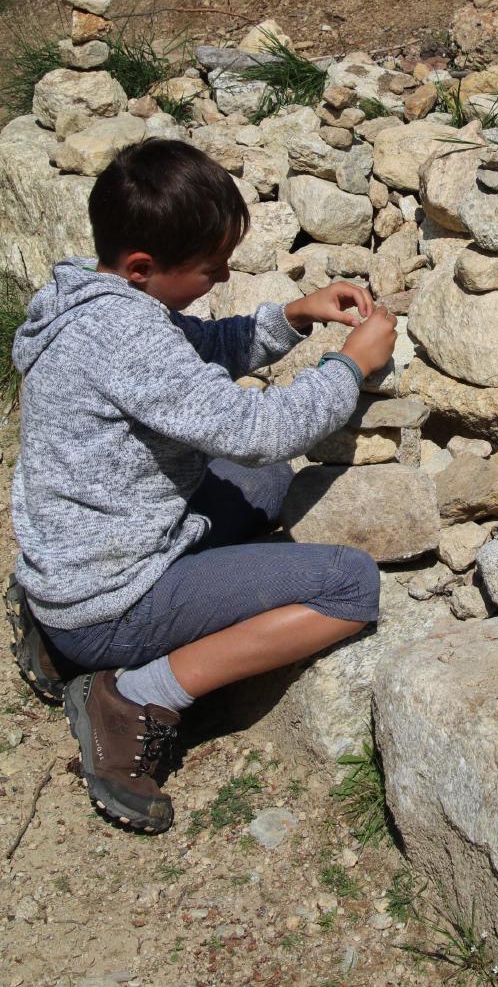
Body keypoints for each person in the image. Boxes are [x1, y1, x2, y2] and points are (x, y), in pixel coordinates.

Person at [5, 138, 397, 834]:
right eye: (211, 270)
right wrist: (349, 367)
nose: (220, 278)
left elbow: (198, 351)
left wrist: (294, 317)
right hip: (109, 598)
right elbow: (262, 427)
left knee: (264, 484)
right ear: (142, 267)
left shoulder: (86, 296)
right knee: (350, 585)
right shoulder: (127, 337)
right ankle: (129, 698)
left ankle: (54, 631)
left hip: (76, 563)